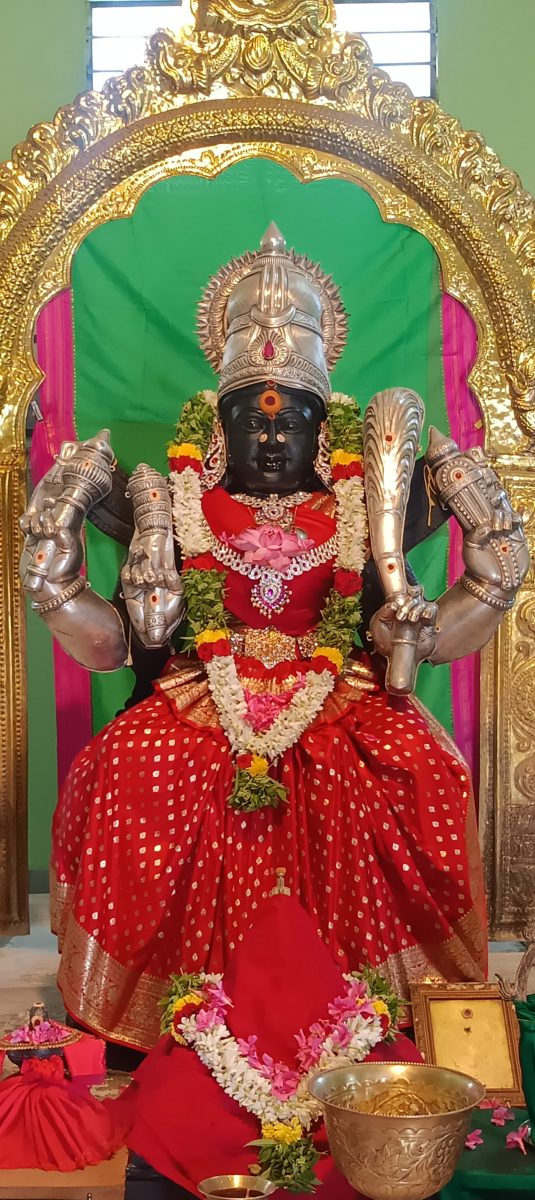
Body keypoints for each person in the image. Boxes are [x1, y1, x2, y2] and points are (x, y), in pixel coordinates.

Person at [20, 224, 529, 1050]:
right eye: (249, 425)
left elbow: (448, 610)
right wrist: (57, 570)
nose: (269, 439)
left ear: (321, 434)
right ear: (217, 433)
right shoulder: (177, 504)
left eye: (290, 424)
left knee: (422, 769)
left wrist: (408, 623)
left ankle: (378, 1003)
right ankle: (171, 1003)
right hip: (204, 688)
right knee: (119, 767)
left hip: (337, 685)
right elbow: (115, 645)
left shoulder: (361, 507)